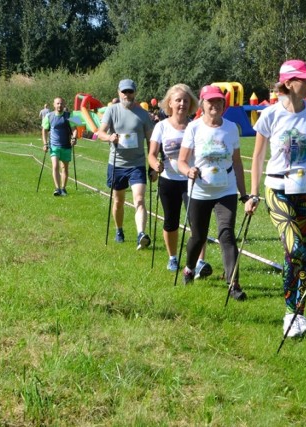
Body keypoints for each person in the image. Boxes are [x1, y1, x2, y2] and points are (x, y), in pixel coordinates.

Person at [245, 59, 306, 337]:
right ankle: (290, 314)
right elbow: (258, 156)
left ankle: (297, 315)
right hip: (277, 189)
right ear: (289, 83)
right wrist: (254, 193)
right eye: (305, 79)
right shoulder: (270, 115)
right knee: (295, 250)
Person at [177, 85, 248, 300]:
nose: (215, 105)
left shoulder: (231, 128)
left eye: (219, 101)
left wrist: (244, 194)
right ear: (202, 104)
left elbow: (237, 162)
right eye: (210, 102)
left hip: (226, 188)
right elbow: (181, 160)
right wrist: (188, 170)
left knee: (227, 234)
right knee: (198, 237)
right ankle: (189, 268)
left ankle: (233, 283)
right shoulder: (194, 128)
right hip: (199, 189)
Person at [148, 84, 212, 276]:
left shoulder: (195, 125)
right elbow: (151, 154)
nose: (182, 104)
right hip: (168, 180)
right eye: (178, 100)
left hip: (192, 181)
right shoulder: (161, 126)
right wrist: (155, 165)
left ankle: (199, 262)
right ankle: (172, 258)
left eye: (185, 100)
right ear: (170, 103)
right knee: (171, 222)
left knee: (197, 223)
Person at [97, 79, 154, 249]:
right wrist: (109, 137)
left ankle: (141, 234)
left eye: (130, 92)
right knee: (118, 201)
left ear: (135, 93)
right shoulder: (112, 110)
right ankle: (119, 229)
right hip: (117, 164)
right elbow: (100, 132)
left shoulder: (143, 114)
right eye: (124, 92)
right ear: (119, 93)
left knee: (139, 199)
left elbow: (151, 140)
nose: (127, 95)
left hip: (137, 164)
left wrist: (152, 164)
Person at [42, 97, 78, 196]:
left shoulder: (70, 115)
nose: (59, 105)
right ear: (54, 105)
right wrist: (45, 143)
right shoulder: (48, 116)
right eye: (57, 103)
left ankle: (63, 188)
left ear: (64, 104)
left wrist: (74, 138)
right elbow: (44, 130)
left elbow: (75, 129)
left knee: (65, 168)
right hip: (54, 146)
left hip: (66, 145)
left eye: (61, 103)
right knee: (55, 166)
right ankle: (57, 188)